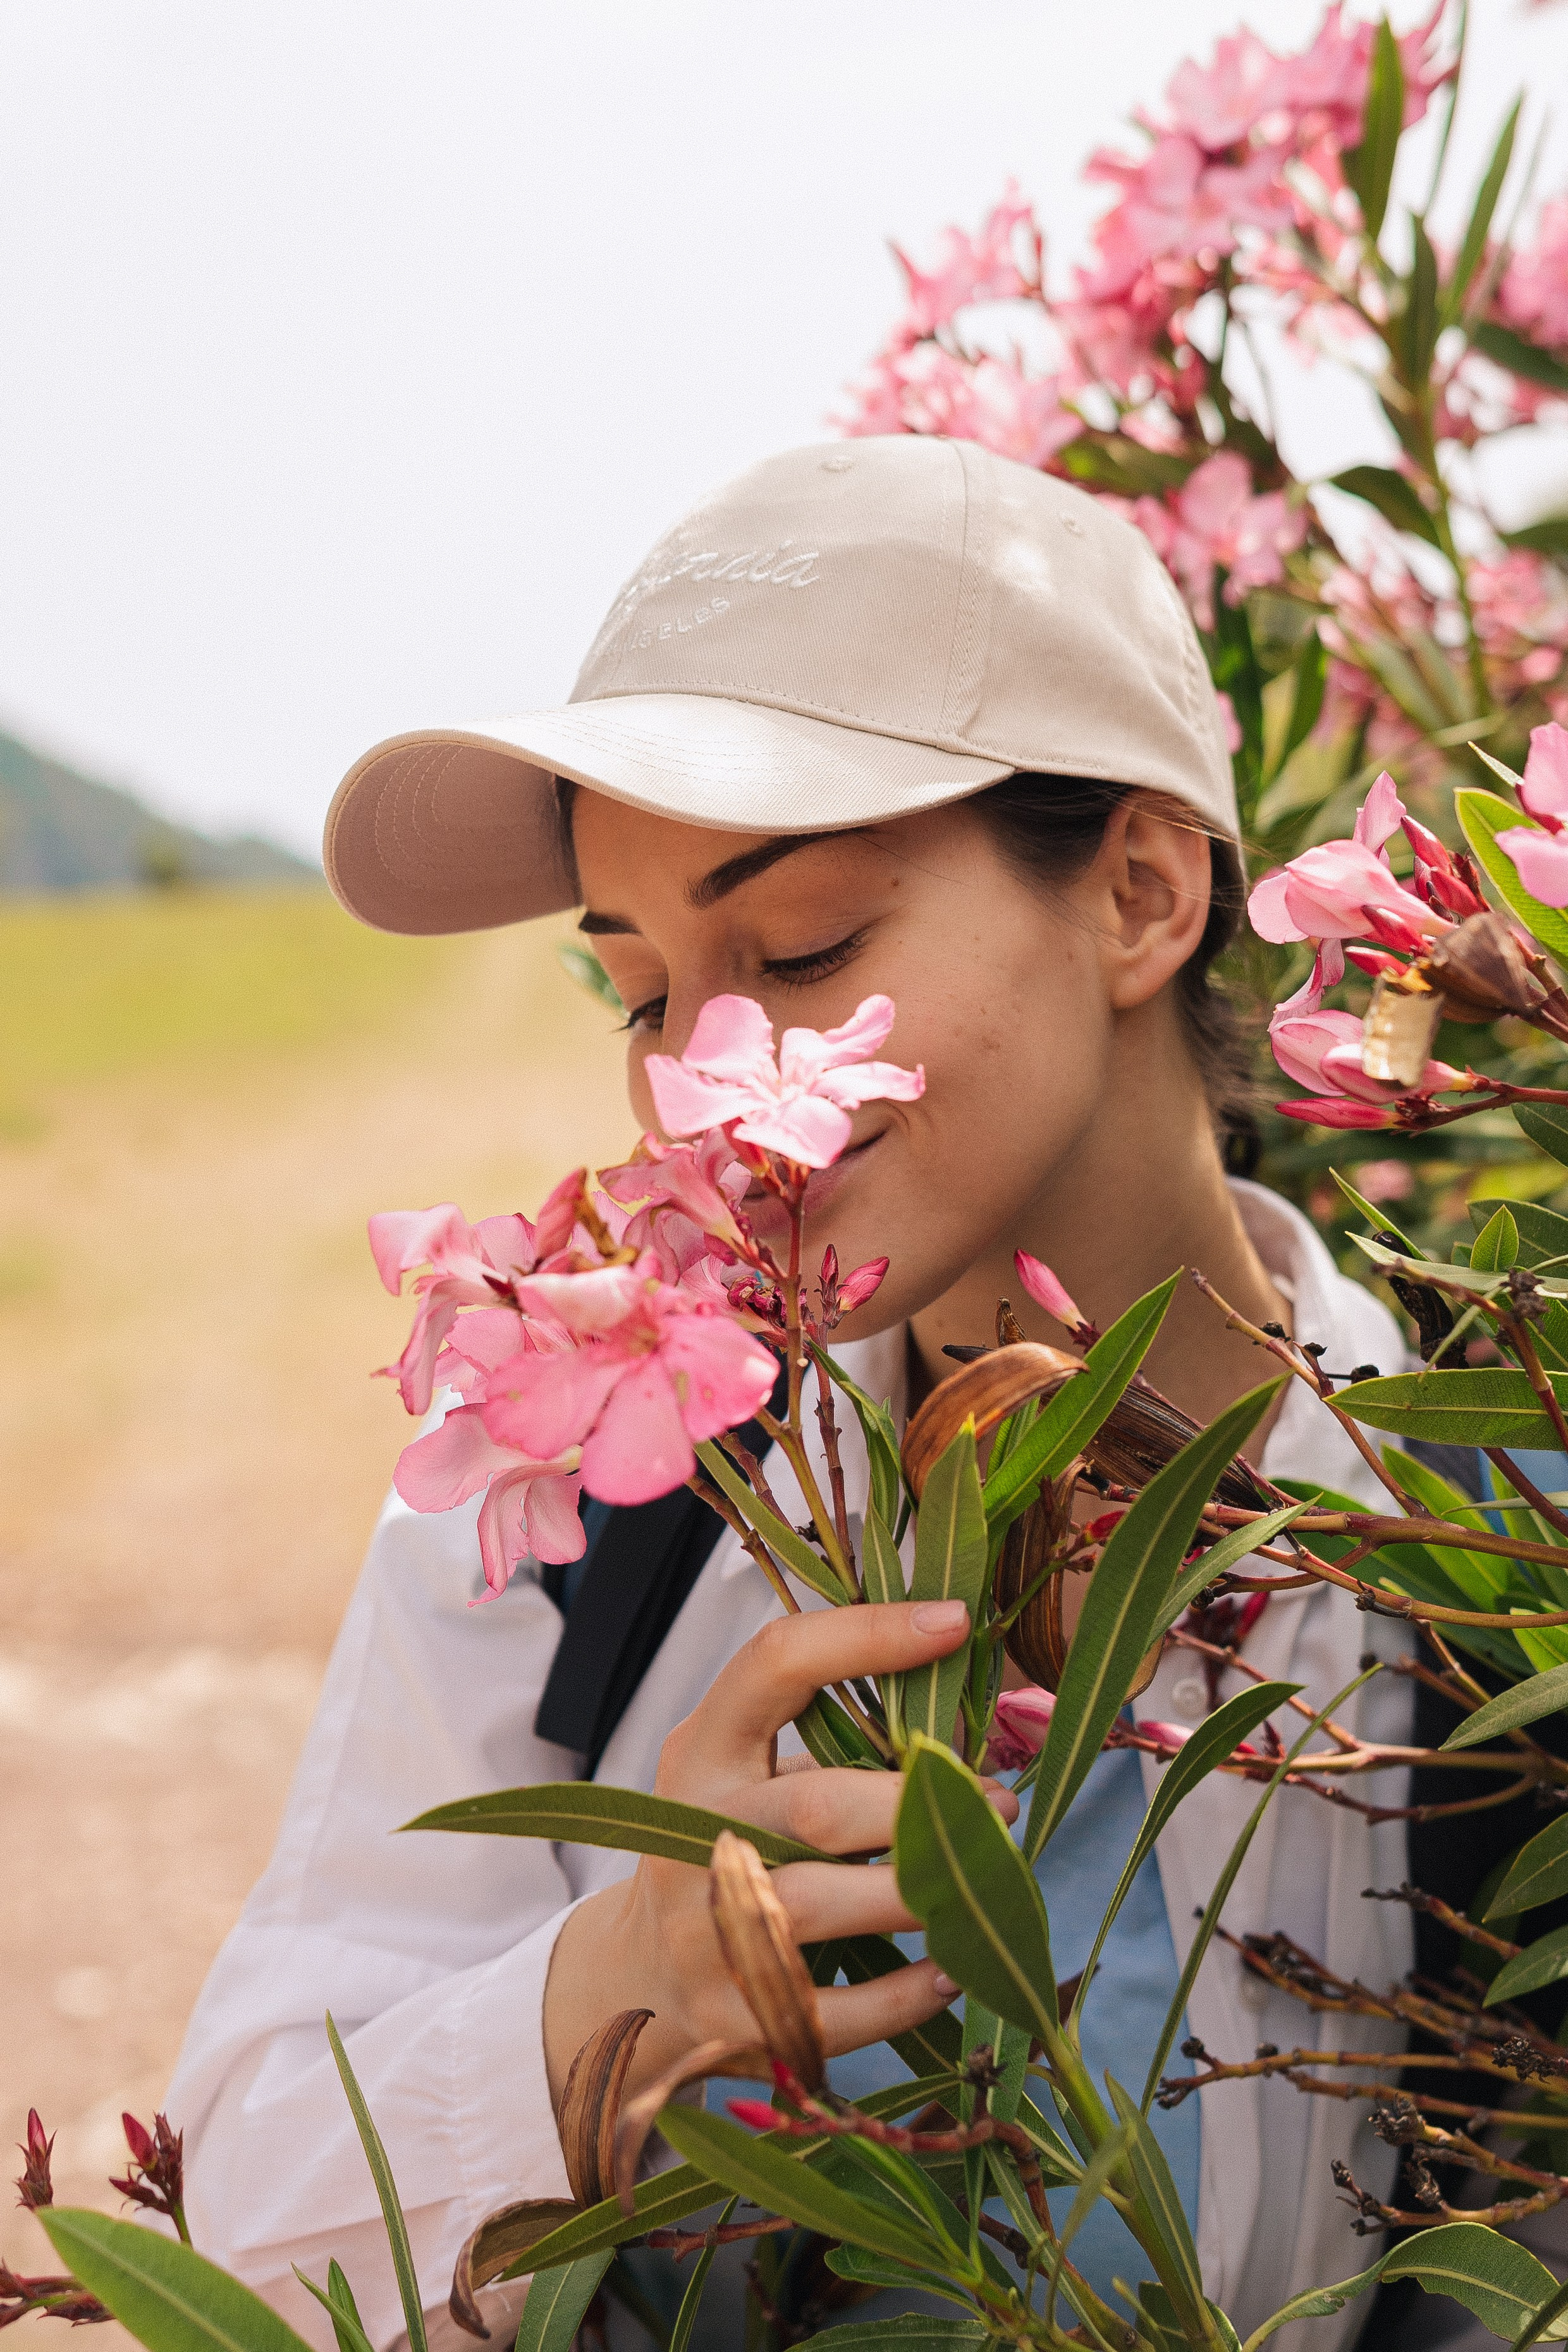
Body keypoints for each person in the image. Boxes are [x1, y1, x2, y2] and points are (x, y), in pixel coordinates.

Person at [166, 436, 1416, 2352]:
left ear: (1146, 893)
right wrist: (612, 1988)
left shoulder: (1486, 1559)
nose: (690, 1090)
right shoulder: (588, 1507)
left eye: (806, 950)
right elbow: (237, 2244)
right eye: (642, 991)